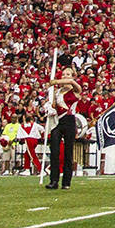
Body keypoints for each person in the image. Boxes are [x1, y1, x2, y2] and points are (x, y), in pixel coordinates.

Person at [45, 57, 81, 190]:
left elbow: (71, 82)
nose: (65, 76)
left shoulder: (76, 89)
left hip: (69, 121)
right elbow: (54, 106)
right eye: (63, 74)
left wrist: (54, 81)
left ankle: (66, 181)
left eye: (68, 74)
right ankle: (54, 180)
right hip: (58, 121)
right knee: (54, 149)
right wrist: (49, 107)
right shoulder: (57, 92)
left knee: (68, 152)